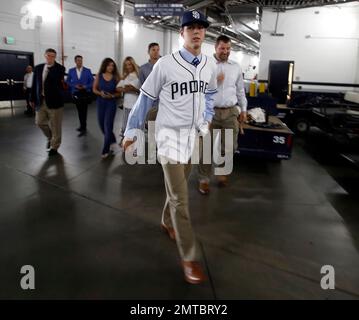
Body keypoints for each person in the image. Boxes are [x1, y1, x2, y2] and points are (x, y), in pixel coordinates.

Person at [122, 10, 217, 284]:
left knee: (178, 189)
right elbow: (145, 99)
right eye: (191, 27)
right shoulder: (165, 64)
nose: (196, 31)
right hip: (168, 138)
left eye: (201, 27)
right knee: (180, 199)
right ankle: (189, 257)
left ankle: (165, 220)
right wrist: (131, 130)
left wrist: (207, 119)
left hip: (193, 137)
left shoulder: (209, 64)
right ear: (181, 33)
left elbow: (209, 95)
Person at [198, 35, 248, 194]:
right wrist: (214, 82)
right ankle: (204, 179)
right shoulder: (205, 64)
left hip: (230, 112)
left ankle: (222, 172)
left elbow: (240, 90)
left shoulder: (236, 67)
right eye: (222, 48)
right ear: (215, 47)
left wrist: (244, 110)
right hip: (209, 112)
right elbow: (197, 89)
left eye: (228, 48)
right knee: (206, 147)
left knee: (229, 147)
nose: (225, 51)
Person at [31, 48, 66, 156]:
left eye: (53, 56)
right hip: (40, 100)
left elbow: (55, 79)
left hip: (55, 101)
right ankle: (50, 137)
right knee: (39, 122)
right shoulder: (38, 68)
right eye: (48, 55)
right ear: (45, 55)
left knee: (56, 126)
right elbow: (34, 84)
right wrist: (32, 98)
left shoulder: (60, 68)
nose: (50, 58)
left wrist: (50, 68)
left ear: (55, 57)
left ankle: (54, 147)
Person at [92, 58, 121, 159]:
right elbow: (94, 89)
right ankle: (112, 141)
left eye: (112, 65)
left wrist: (112, 96)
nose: (111, 67)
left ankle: (106, 149)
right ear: (105, 66)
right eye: (109, 65)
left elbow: (119, 92)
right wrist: (101, 93)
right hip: (101, 103)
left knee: (108, 126)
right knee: (102, 126)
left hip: (111, 103)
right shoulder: (99, 76)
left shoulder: (115, 78)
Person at [66, 55, 94, 136]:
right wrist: (74, 86)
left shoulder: (87, 70)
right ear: (75, 61)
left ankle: (84, 127)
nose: (80, 62)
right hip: (76, 93)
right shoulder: (71, 71)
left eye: (81, 60)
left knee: (84, 110)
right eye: (78, 60)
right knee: (79, 110)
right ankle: (81, 126)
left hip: (85, 93)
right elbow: (67, 81)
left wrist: (85, 86)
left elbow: (92, 82)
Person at [117, 57, 140, 141]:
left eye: (129, 64)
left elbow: (142, 90)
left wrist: (134, 89)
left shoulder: (139, 75)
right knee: (125, 124)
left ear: (133, 64)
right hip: (126, 104)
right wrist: (125, 89)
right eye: (126, 65)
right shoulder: (125, 76)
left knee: (134, 125)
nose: (128, 67)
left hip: (136, 104)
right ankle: (125, 141)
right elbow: (118, 88)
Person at [139, 43, 161, 125]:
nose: (156, 52)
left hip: (164, 103)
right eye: (153, 50)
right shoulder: (143, 69)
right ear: (148, 52)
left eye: (158, 50)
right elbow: (143, 87)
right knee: (151, 130)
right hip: (151, 105)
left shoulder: (164, 66)